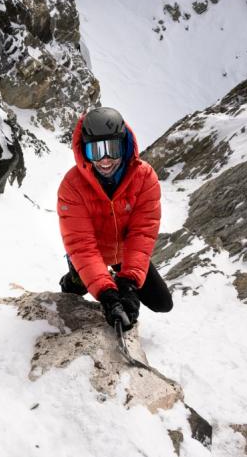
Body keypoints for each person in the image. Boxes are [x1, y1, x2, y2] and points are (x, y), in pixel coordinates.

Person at [56, 107, 172, 330]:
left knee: (162, 303)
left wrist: (128, 283)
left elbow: (142, 232)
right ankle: (72, 277)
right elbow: (82, 245)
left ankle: (115, 276)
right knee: (76, 290)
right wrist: (107, 295)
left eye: (112, 149)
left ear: (125, 145)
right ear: (84, 151)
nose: (105, 160)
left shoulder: (144, 177)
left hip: (125, 252)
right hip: (94, 251)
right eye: (96, 151)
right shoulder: (72, 186)